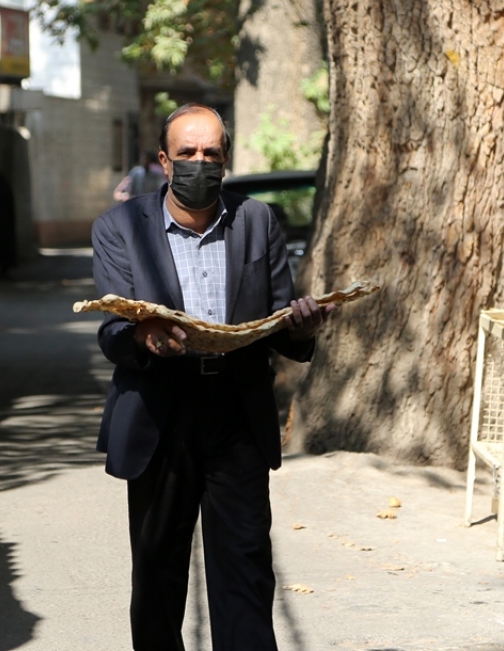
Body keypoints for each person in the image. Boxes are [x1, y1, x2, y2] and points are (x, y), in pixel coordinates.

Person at [90, 103, 333, 650]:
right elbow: (111, 331)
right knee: (158, 576)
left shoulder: (257, 221)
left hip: (236, 414)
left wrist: (300, 327)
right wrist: (143, 338)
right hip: (158, 416)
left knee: (245, 569)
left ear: (225, 159)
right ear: (164, 160)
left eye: (210, 153)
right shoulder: (119, 228)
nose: (199, 163)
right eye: (187, 153)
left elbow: (276, 322)